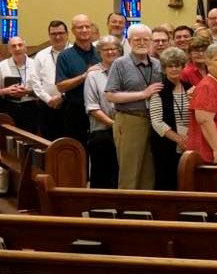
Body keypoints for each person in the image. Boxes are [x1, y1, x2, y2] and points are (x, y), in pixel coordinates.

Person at [102, 25, 164, 190]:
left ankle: (144, 211)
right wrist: (143, 94)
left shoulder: (157, 64)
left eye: (146, 39)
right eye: (137, 39)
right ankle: (126, 210)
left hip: (154, 121)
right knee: (130, 171)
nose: (142, 42)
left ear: (151, 42)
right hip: (130, 120)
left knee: (148, 171)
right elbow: (110, 95)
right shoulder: (120, 64)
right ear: (129, 42)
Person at [146, 47, 191, 190]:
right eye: (170, 66)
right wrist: (179, 139)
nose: (174, 69)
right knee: (166, 181)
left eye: (177, 65)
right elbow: (157, 122)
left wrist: (188, 139)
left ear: (183, 67)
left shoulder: (191, 88)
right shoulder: (158, 90)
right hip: (165, 144)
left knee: (186, 181)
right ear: (164, 69)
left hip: (189, 143)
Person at [83, 36, 123, 188]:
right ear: (99, 52)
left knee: (121, 174)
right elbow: (92, 107)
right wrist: (114, 124)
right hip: (102, 132)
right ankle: (100, 208)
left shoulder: (126, 71)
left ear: (119, 51)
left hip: (125, 131)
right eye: (106, 49)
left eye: (114, 48)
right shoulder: (93, 75)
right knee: (102, 175)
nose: (111, 52)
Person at [57, 14, 100, 142]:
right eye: (80, 27)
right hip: (76, 111)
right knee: (77, 152)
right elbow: (60, 86)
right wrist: (84, 76)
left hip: (100, 111)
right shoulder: (65, 56)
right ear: (73, 31)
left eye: (87, 26)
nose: (85, 30)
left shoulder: (100, 53)